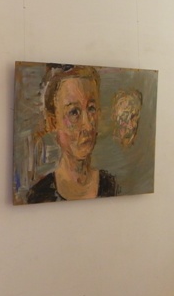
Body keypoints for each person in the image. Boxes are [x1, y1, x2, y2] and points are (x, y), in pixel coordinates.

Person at [26, 64, 120, 203]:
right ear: (53, 122)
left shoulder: (111, 186)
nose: (88, 126)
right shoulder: (39, 196)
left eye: (91, 109)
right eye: (74, 112)